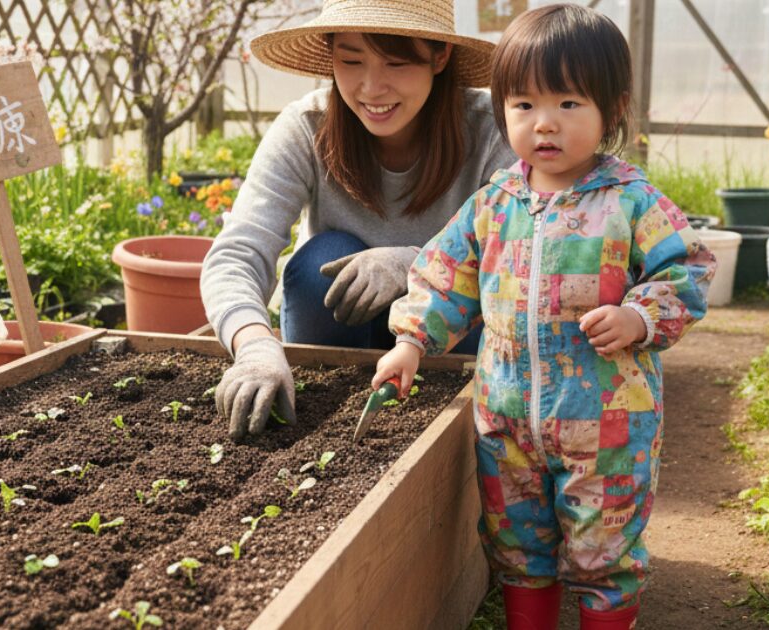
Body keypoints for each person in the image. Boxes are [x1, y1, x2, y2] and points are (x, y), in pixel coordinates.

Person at [372, 5, 716, 629]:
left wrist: (639, 316)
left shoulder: (631, 201)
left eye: (569, 104)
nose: (544, 124)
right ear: (502, 108)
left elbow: (688, 271)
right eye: (524, 105)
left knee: (603, 549)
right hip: (505, 421)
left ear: (613, 109)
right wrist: (411, 342)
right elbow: (444, 276)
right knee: (516, 544)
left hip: (608, 426)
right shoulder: (494, 204)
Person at [201, 0, 515, 441]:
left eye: (396, 62)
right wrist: (254, 345)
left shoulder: (490, 131)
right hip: (338, 333)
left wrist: (414, 265)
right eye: (351, 60)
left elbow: (526, 257)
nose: (371, 87)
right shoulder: (307, 127)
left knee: (476, 296)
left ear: (438, 56)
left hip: (451, 343)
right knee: (323, 261)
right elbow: (238, 251)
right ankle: (320, 418)